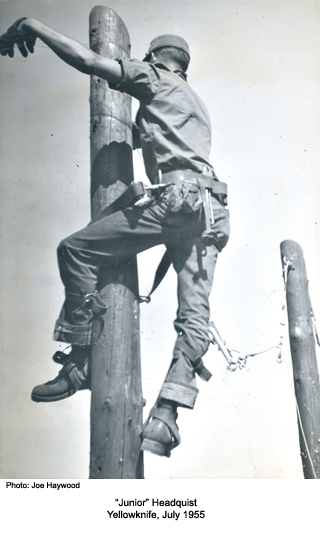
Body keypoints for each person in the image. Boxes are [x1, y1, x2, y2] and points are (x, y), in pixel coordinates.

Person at [0, 17, 230, 457]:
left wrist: (34, 25)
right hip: (213, 212)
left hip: (178, 204)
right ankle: (166, 415)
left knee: (76, 249)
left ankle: (81, 360)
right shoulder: (194, 103)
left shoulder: (155, 78)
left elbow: (90, 61)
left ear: (157, 59)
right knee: (194, 318)